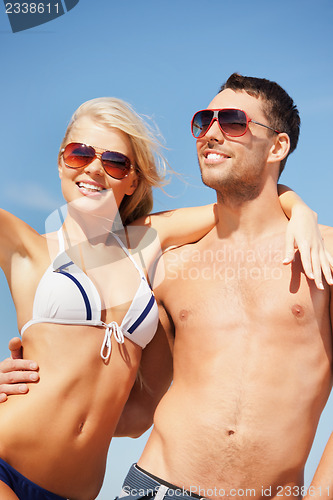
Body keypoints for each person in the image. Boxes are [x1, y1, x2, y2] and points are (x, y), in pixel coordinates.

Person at [0, 91, 331, 500]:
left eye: (116, 161)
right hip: (123, 483)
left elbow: (243, 206)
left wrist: (299, 208)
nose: (94, 169)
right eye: (79, 153)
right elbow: (135, 409)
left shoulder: (154, 244)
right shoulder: (38, 248)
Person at [110, 74, 332, 500]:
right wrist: (40, 393)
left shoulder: (323, 255)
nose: (211, 133)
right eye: (203, 121)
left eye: (232, 121)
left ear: (278, 146)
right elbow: (139, 410)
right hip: (155, 488)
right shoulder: (173, 264)